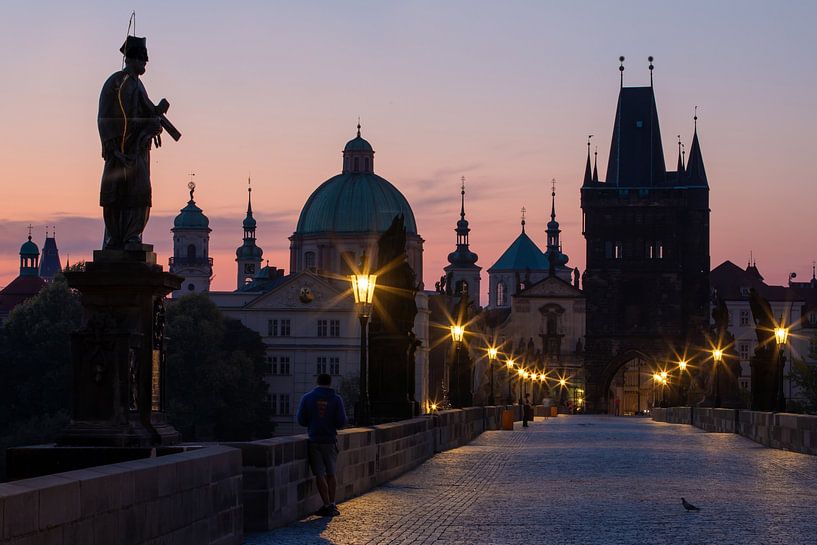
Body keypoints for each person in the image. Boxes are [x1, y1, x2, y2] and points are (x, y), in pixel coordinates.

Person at [97, 35, 167, 249]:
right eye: (142, 58)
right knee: (115, 193)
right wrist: (112, 145)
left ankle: (132, 235)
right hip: (120, 150)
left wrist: (156, 115)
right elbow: (106, 117)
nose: (145, 62)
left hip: (138, 149)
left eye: (145, 58)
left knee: (140, 192)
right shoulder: (117, 82)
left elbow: (146, 110)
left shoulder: (138, 84)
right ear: (131, 58)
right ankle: (116, 237)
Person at [297, 373, 348, 517]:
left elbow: (301, 420)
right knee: (331, 473)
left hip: (314, 440)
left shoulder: (307, 398)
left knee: (319, 474)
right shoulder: (336, 399)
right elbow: (341, 422)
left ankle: (326, 505)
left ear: (317, 381)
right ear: (330, 383)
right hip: (330, 440)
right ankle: (332, 503)